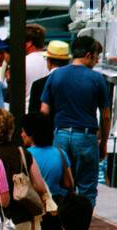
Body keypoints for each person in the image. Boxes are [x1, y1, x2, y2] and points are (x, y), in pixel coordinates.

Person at [41, 34, 111, 207]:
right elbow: (106, 115)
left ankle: (64, 228)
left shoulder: (55, 76)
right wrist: (103, 143)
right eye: (96, 57)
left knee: (62, 186)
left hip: (60, 135)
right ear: (88, 55)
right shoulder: (97, 79)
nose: (96, 61)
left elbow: (44, 110)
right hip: (85, 137)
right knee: (87, 188)